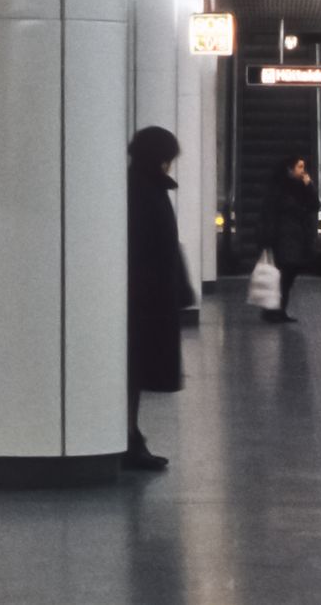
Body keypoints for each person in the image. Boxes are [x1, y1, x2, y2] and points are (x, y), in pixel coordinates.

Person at [125, 125, 190, 470]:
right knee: (132, 370)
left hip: (143, 297)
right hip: (144, 300)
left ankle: (130, 438)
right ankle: (129, 440)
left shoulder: (142, 186)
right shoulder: (144, 190)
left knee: (133, 372)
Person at [264, 153, 321, 322]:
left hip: (296, 236)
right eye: (299, 167)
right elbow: (282, 209)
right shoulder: (280, 187)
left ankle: (279, 309)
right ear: (290, 169)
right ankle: (276, 309)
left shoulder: (301, 186)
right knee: (285, 272)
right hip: (284, 236)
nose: (303, 171)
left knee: (289, 273)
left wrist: (309, 185)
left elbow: (314, 205)